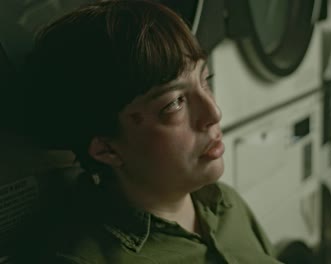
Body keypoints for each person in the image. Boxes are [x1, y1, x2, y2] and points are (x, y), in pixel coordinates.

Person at [19, 1, 282, 263]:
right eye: (174, 103)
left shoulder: (225, 203)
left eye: (205, 80)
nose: (214, 113)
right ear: (106, 149)